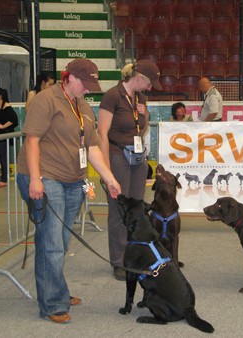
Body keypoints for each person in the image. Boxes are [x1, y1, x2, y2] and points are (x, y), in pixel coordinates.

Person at [16, 59, 121, 324]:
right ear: (70, 78)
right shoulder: (45, 100)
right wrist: (36, 179)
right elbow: (32, 140)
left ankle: (56, 290)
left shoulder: (83, 106)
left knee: (59, 242)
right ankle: (52, 303)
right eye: (86, 85)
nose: (88, 90)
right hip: (46, 175)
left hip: (75, 180)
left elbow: (93, 148)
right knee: (51, 243)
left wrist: (109, 178)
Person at [98, 59, 162, 281]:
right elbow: (102, 133)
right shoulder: (112, 96)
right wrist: (105, 169)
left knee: (137, 209)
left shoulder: (140, 98)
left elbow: (141, 129)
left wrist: (145, 116)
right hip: (117, 156)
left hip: (137, 157)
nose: (150, 88)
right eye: (149, 82)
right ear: (139, 77)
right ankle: (118, 261)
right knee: (118, 210)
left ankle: (134, 256)